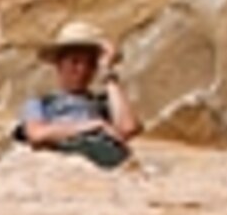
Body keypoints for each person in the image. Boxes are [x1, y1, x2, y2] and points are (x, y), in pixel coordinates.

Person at [14, 20, 140, 168]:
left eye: (90, 64)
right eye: (75, 62)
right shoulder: (40, 104)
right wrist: (93, 126)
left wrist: (107, 71)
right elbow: (37, 135)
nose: (82, 70)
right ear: (59, 64)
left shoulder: (103, 105)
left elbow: (128, 128)